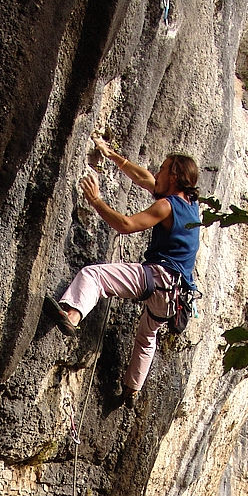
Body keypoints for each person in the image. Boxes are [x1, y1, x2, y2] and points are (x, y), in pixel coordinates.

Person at [44, 136, 200, 404]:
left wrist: (95, 201)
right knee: (147, 336)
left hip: (158, 278)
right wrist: (112, 155)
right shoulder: (192, 206)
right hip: (175, 297)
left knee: (94, 276)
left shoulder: (166, 206)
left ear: (173, 176)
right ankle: (132, 388)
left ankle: (71, 315)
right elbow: (143, 179)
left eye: (162, 169)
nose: (157, 173)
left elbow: (126, 225)